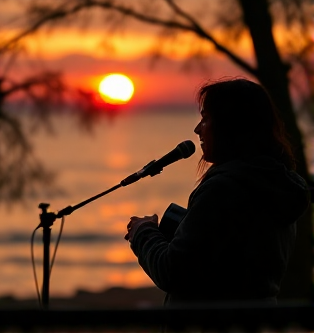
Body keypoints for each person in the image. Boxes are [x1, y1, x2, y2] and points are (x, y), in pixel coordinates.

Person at [124, 77, 309, 306]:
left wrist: (144, 232)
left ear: (230, 126)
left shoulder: (222, 191)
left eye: (205, 119)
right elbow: (228, 262)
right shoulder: (279, 188)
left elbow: (172, 272)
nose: (197, 129)